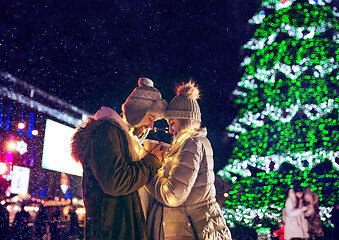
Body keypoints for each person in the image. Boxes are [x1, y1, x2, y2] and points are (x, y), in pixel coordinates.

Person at [71, 77, 167, 239]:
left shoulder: (123, 136)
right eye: (151, 118)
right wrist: (153, 161)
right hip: (113, 233)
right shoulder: (107, 131)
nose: (151, 126)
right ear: (138, 112)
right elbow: (116, 181)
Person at [146, 81, 232, 239]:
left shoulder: (190, 144)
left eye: (172, 123)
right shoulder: (197, 142)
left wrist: (150, 173)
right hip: (195, 226)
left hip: (187, 230)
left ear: (184, 118)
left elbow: (173, 195)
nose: (170, 129)